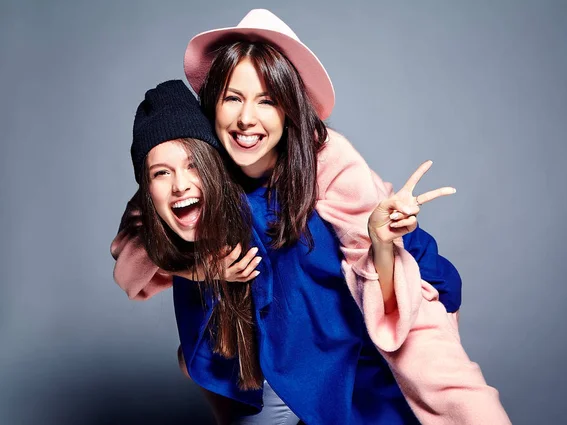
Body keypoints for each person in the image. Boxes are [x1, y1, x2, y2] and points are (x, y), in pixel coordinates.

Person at [112, 9, 511, 425]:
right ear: (213, 103)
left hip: (374, 302)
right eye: (233, 97)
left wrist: (381, 242)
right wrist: (199, 269)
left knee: (419, 386)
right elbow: (134, 254)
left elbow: (384, 286)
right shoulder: (196, 164)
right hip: (271, 344)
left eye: (267, 100)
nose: (247, 118)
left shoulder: (330, 163)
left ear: (289, 110)